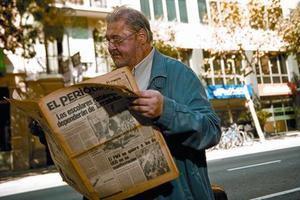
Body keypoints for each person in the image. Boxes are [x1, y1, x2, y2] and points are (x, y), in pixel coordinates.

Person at [102, 6, 221, 200]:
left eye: (117, 39)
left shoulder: (180, 73)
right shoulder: (107, 83)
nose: (111, 47)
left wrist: (166, 111)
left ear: (141, 37)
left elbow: (212, 131)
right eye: (108, 40)